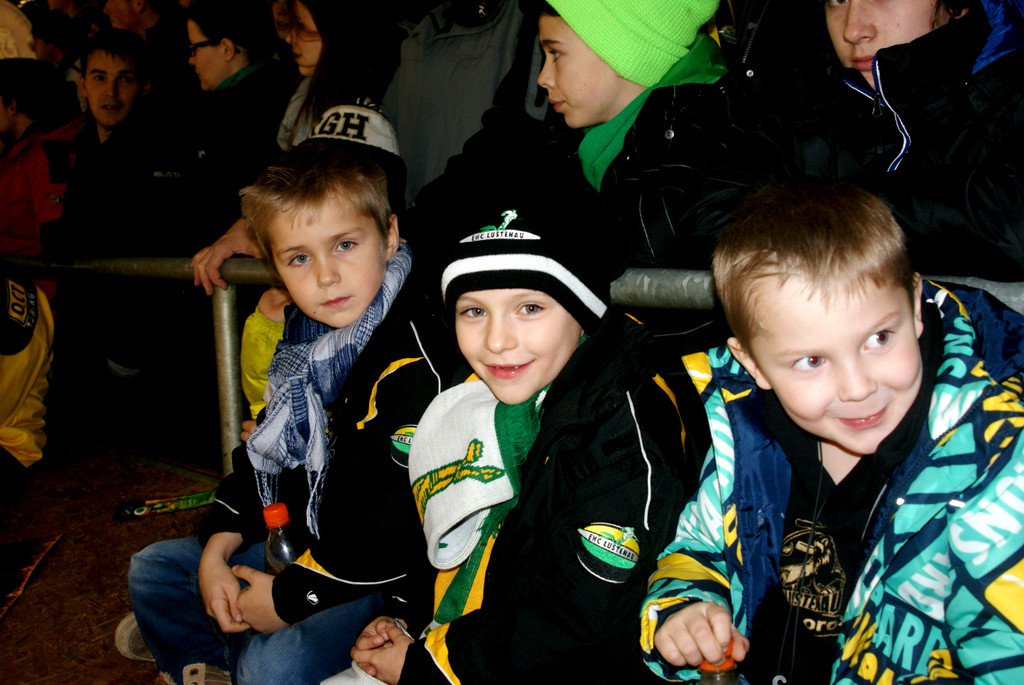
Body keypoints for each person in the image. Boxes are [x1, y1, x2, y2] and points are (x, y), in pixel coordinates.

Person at [641, 179, 1024, 684]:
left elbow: (1006, 653)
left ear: (915, 307)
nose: (858, 387)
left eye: (879, 338)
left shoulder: (997, 457)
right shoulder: (749, 433)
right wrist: (685, 607)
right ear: (751, 364)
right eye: (812, 361)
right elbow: (701, 547)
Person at [119, 140, 455, 685]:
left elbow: (399, 529)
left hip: (379, 579)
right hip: (302, 541)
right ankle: (212, 661)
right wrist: (219, 545)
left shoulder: (419, 359)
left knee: (272, 668)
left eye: (345, 244)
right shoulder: (303, 338)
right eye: (299, 258)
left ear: (390, 235)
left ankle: (229, 642)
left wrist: (289, 598)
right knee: (153, 570)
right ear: (275, 267)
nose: (326, 276)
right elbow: (266, 453)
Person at [340, 201, 692, 684]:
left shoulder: (623, 432)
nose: (497, 340)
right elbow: (448, 527)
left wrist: (428, 664)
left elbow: (579, 619)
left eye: (530, 308)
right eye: (473, 311)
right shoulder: (477, 396)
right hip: (467, 645)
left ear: (582, 311)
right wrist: (407, 615)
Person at [752, 0, 1024, 280]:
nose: (852, 31)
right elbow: (727, 212)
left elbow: (1013, 223)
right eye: (837, 0)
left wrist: (831, 215)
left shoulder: (1011, 96)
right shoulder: (801, 106)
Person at [534, 0, 773, 270]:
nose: (543, 78)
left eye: (555, 53)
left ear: (622, 51)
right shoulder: (573, 144)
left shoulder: (715, 140)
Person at [183, 0, 295, 239]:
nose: (191, 60)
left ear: (227, 48)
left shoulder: (225, 112)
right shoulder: (289, 90)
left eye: (195, 48)